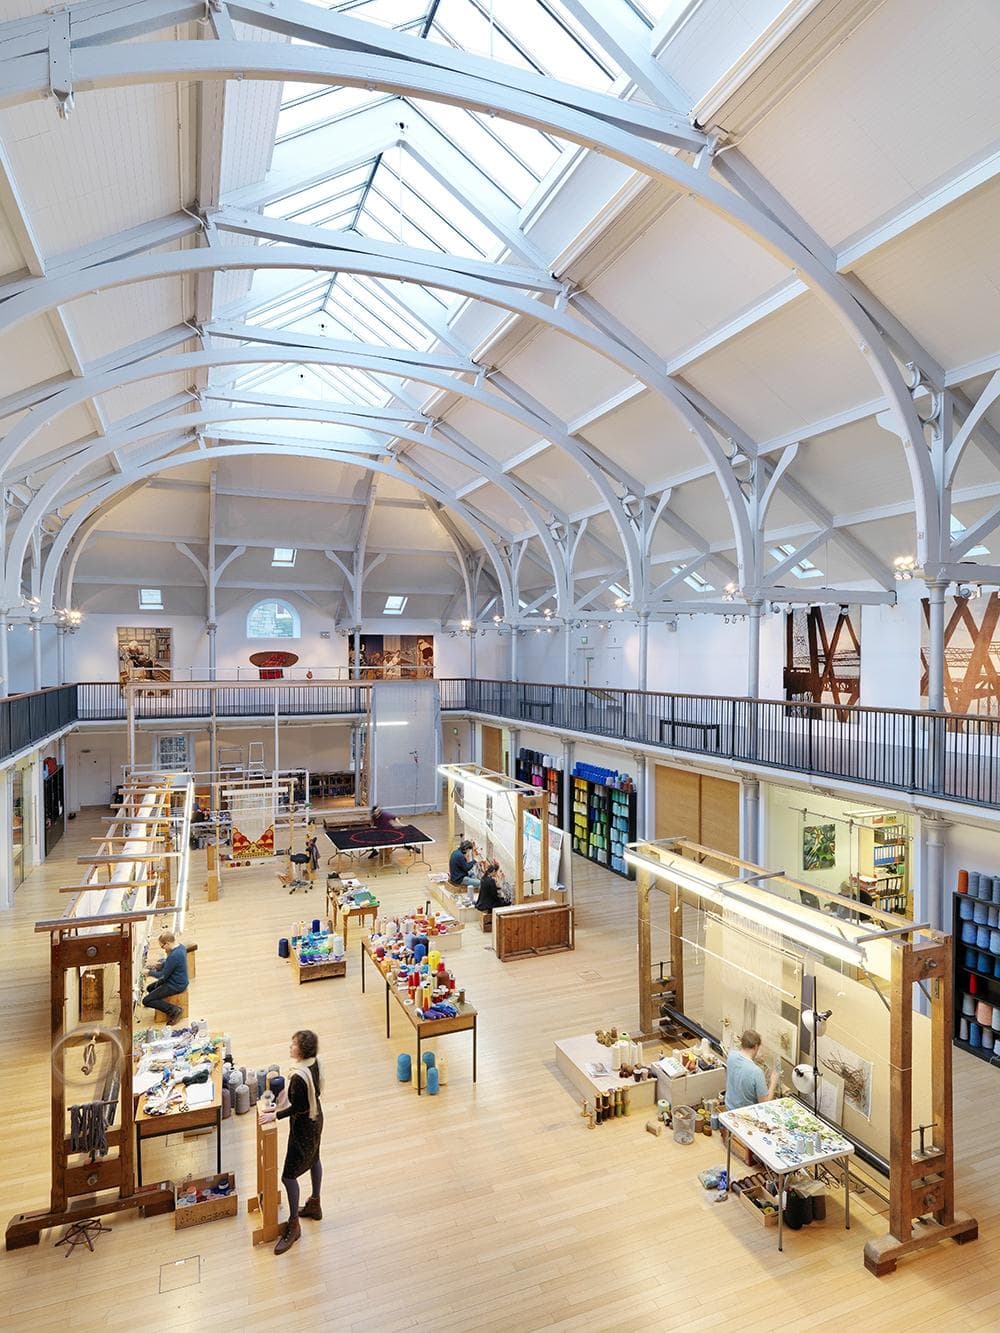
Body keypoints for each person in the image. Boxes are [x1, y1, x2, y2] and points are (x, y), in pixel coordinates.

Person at [261, 1029, 324, 1255]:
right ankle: (315, 1204)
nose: (290, 1046)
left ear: (302, 1050)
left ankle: (294, 1224)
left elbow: (297, 1106)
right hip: (316, 1118)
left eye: (294, 1044)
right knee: (315, 1158)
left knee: (288, 1176)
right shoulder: (314, 1063)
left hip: (303, 1126)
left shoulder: (297, 1076)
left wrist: (274, 1115)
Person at [725, 1029, 779, 1110]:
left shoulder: (731, 1055)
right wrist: (773, 1083)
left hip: (729, 1109)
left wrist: (754, 1059)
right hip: (745, 1114)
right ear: (756, 1046)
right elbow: (764, 1103)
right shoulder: (756, 1072)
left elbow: (741, 1067)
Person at [143, 931, 188, 1024]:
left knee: (146, 1001)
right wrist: (161, 964)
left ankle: (174, 1010)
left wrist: (149, 973)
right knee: (150, 988)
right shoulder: (181, 947)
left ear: (167, 943)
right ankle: (161, 1003)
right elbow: (171, 964)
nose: (163, 949)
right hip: (178, 980)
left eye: (162, 946)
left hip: (176, 985)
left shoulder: (174, 956)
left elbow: (162, 975)